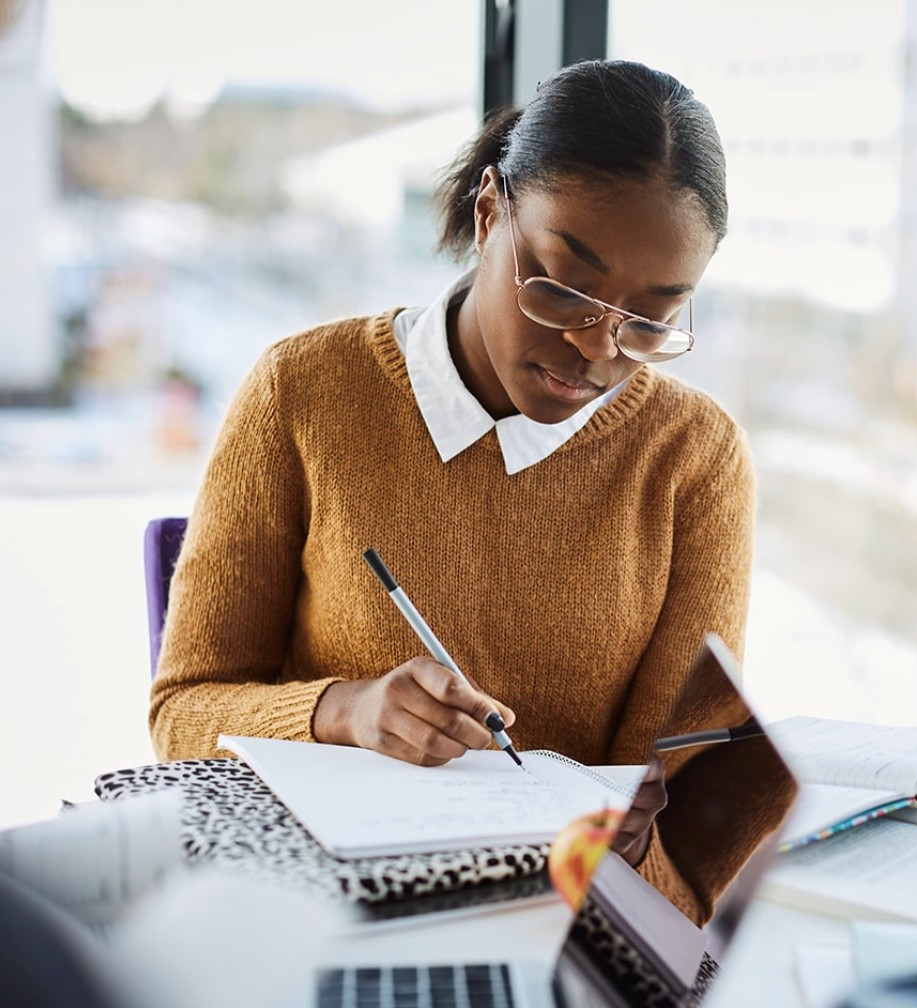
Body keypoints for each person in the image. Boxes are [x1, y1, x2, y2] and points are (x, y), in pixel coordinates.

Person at [149, 59, 759, 922]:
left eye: (652, 317)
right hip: (321, 910)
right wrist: (345, 712)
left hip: (562, 923)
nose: (597, 347)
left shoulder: (695, 458)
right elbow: (183, 715)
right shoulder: (305, 392)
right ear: (488, 213)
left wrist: (646, 831)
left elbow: (675, 790)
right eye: (564, 287)